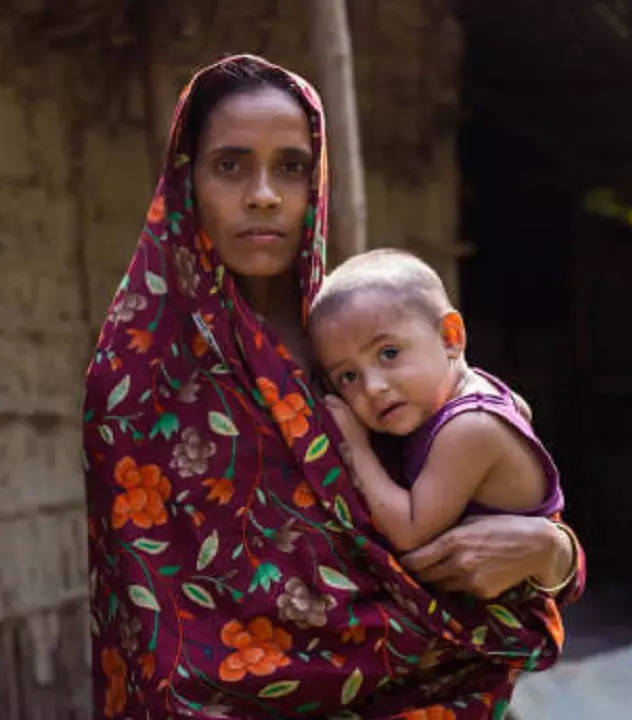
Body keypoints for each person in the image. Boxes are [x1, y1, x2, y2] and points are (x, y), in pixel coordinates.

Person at [83, 54, 585, 720]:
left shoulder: (360, 339)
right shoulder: (138, 375)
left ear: (315, 183)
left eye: (290, 166)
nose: (263, 194)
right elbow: (159, 628)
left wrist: (552, 553)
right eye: (230, 166)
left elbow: (503, 516)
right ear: (187, 181)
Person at [310, 249, 572, 557]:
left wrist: (356, 448)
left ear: (450, 337)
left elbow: (410, 533)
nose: (373, 387)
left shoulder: (471, 427)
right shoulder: (463, 397)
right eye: (349, 376)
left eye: (389, 353)